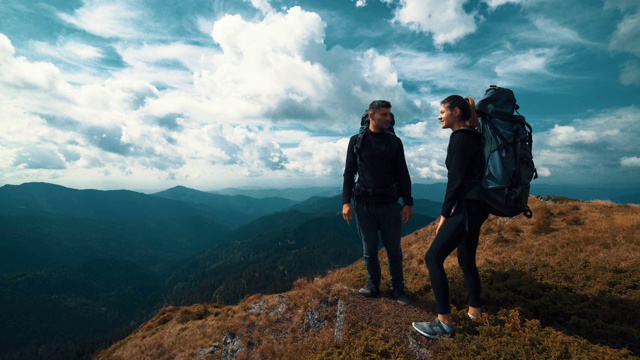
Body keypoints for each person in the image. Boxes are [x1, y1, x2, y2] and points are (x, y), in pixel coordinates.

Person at [412, 95, 489, 339]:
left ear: (456, 112)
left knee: (432, 257)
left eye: (442, 111)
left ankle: (443, 323)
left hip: (466, 208)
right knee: (466, 261)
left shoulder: (461, 138)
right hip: (479, 206)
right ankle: (475, 313)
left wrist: (445, 214)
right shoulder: (476, 137)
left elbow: (455, 181)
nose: (439, 116)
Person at [342, 99, 414, 306]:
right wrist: (346, 201)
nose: (388, 119)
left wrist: (408, 202)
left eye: (389, 115)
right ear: (371, 116)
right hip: (364, 204)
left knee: (394, 251)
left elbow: (403, 173)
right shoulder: (356, 141)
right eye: (384, 114)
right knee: (369, 249)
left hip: (390, 205)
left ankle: (398, 289)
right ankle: (373, 285)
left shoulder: (394, 142)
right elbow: (349, 172)